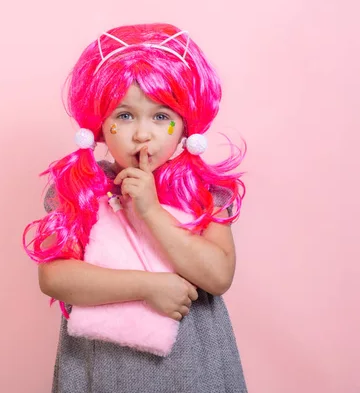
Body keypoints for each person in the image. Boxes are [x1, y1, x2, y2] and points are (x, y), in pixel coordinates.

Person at [23, 23, 247, 392]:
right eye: (124, 116)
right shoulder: (80, 190)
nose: (142, 134)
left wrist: (151, 210)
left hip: (194, 371)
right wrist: (147, 287)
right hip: (102, 370)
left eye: (161, 117)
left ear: (185, 126)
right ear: (100, 125)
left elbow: (219, 275)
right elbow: (54, 278)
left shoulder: (204, 193)